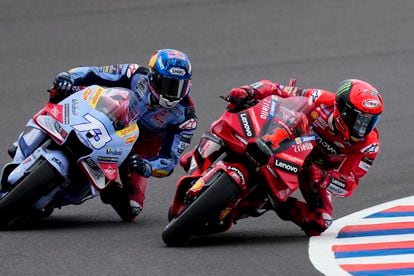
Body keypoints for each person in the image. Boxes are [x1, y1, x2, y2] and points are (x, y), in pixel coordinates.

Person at [214, 78, 382, 236]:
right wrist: (249, 91)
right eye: (359, 119)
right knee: (242, 108)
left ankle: (272, 203)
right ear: (342, 109)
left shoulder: (369, 145)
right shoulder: (322, 99)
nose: (363, 127)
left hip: (314, 169)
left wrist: (323, 178)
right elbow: (278, 89)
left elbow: (348, 184)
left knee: (321, 221)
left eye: (370, 121)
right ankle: (209, 149)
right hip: (286, 138)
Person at [50, 49, 197, 222]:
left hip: (138, 149)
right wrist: (69, 77)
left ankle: (98, 186)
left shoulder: (186, 117)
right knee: (63, 89)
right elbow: (95, 72)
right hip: (110, 118)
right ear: (153, 77)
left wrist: (147, 166)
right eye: (168, 84)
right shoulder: (135, 74)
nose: (173, 92)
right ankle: (41, 130)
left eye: (180, 86)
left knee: (131, 209)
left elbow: (168, 161)